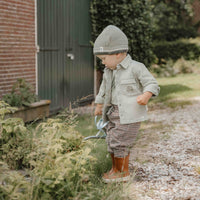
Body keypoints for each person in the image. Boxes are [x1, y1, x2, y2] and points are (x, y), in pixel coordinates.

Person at [93, 25, 160, 183]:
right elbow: (103, 90)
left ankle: (123, 172)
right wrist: (99, 104)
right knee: (111, 140)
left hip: (129, 115)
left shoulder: (136, 68)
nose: (103, 63)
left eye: (103, 59)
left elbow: (152, 83)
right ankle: (115, 169)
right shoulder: (109, 72)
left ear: (117, 54)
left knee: (120, 142)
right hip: (112, 113)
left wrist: (146, 95)